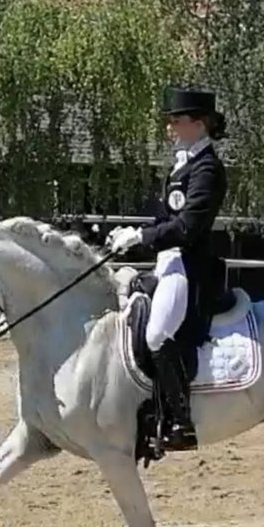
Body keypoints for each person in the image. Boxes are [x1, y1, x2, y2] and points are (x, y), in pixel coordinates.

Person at [107, 86, 228, 452]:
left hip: (188, 265)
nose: (169, 128)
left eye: (176, 121)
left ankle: (181, 420)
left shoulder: (207, 169)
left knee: (158, 334)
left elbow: (189, 227)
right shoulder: (183, 165)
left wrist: (142, 236)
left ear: (199, 122)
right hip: (168, 260)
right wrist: (130, 234)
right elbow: (167, 218)